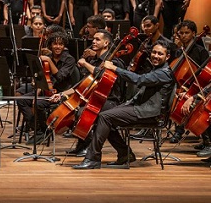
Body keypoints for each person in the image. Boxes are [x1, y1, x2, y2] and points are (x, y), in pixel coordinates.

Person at [73, 40, 175, 169]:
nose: (155, 55)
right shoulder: (158, 69)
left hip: (149, 112)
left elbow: (138, 80)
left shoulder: (164, 73)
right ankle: (124, 154)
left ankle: (92, 159)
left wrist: (115, 68)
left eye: (160, 54)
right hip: (141, 107)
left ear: (167, 57)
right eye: (154, 52)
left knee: (105, 117)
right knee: (103, 117)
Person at [49, 30, 125, 156]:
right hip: (94, 99)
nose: (93, 42)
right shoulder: (94, 61)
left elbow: (102, 75)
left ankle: (88, 145)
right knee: (71, 108)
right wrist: (62, 94)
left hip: (110, 101)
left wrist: (85, 63)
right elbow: (82, 85)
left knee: (82, 111)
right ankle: (83, 144)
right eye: (93, 39)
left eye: (97, 39)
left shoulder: (114, 62)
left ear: (106, 43)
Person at [17, 32, 77, 143]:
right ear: (50, 45)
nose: (58, 47)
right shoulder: (47, 57)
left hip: (61, 93)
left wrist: (49, 61)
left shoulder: (69, 60)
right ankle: (38, 128)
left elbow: (60, 77)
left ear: (64, 46)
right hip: (47, 90)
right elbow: (43, 77)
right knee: (22, 100)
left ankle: (43, 132)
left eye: (61, 44)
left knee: (38, 104)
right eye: (55, 44)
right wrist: (38, 87)